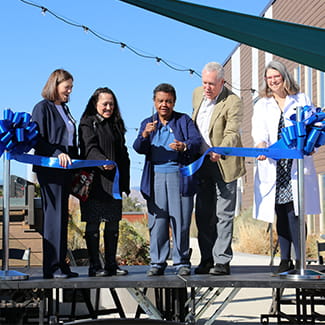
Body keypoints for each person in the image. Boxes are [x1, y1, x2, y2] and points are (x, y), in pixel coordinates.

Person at [251, 60, 321, 273]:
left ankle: (300, 258)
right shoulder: (262, 104)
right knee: (281, 212)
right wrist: (260, 144)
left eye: (276, 77)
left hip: (296, 165)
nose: (273, 81)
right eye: (269, 78)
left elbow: (311, 125)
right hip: (275, 166)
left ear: (284, 77)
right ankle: (285, 258)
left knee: (296, 212)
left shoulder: (300, 99)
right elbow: (259, 131)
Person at [133, 83, 201, 276]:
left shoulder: (184, 121)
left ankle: (181, 262)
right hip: (155, 177)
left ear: (174, 102)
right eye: (161, 101)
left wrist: (184, 146)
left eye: (168, 101)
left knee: (180, 220)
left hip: (178, 177)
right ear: (154, 102)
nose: (164, 105)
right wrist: (145, 134)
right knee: (158, 221)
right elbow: (138, 147)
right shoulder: (148, 122)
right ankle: (157, 262)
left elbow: (196, 142)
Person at [192, 62, 246, 276]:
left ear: (222, 82)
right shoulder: (197, 94)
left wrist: (220, 149)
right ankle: (206, 259)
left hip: (224, 163)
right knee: (204, 214)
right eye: (204, 82)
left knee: (223, 214)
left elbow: (233, 131)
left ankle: (222, 261)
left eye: (211, 84)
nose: (207, 88)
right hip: (202, 164)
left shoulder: (233, 101)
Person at [32, 69, 79, 279]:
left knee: (62, 217)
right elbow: (37, 139)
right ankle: (52, 267)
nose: (69, 91)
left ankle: (62, 264)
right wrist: (57, 152)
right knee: (53, 216)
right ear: (55, 85)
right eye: (66, 87)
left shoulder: (65, 109)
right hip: (50, 169)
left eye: (71, 88)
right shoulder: (42, 108)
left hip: (66, 169)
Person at [78, 87, 130, 277]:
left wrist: (125, 182)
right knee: (93, 224)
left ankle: (111, 264)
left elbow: (123, 153)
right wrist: (102, 162)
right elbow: (88, 148)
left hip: (113, 183)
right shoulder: (87, 123)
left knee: (113, 224)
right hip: (94, 183)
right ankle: (94, 265)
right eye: (104, 104)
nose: (108, 108)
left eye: (111, 104)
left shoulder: (116, 124)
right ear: (95, 104)